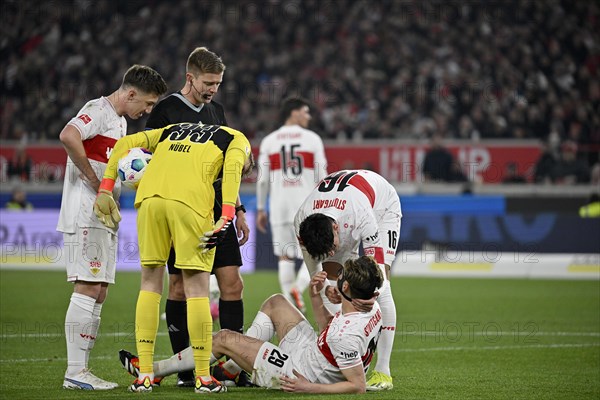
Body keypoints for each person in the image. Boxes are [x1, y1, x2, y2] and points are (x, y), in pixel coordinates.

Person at [93, 121, 253, 393]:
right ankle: (203, 378)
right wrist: (227, 214)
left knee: (150, 283)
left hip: (149, 200)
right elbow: (232, 173)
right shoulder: (237, 139)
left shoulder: (172, 129)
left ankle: (144, 375)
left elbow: (122, 144)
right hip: (190, 204)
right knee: (196, 288)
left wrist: (105, 189)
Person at [119, 255, 384, 393]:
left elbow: (357, 386)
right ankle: (234, 369)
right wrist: (316, 296)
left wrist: (308, 388)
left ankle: (154, 371)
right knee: (276, 302)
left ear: (346, 286)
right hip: (315, 353)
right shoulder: (372, 306)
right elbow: (329, 330)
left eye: (341, 277)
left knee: (223, 338)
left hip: (300, 373)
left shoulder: (345, 334)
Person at [144, 47, 251, 387]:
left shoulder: (217, 111)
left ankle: (232, 363)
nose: (212, 90)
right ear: (189, 77)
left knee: (232, 283)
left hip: (218, 213)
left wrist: (240, 209)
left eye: (217, 84)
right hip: (183, 210)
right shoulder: (165, 111)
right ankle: (185, 368)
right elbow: (149, 160)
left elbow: (229, 165)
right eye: (208, 83)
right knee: (179, 286)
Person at [57, 65, 167, 390]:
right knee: (88, 287)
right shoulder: (97, 109)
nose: (146, 111)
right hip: (86, 213)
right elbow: (68, 135)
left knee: (100, 291)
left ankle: (82, 371)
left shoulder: (120, 123)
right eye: (146, 104)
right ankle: (75, 372)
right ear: (130, 93)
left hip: (104, 216)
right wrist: (95, 182)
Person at [294, 169, 401, 391]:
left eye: (334, 247)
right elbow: (318, 277)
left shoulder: (359, 213)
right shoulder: (301, 223)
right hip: (342, 208)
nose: (333, 253)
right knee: (330, 282)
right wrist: (333, 290)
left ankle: (383, 371)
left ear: (335, 229)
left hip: (381, 207)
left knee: (382, 286)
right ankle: (341, 353)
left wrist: (365, 297)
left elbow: (376, 275)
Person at [256, 96, 328, 312]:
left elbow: (262, 179)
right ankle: (298, 287)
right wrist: (325, 205)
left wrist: (261, 208)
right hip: (307, 207)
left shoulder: (269, 141)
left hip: (279, 207)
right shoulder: (312, 139)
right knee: (316, 255)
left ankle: (290, 303)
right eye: (305, 112)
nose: (308, 116)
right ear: (294, 112)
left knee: (284, 256)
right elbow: (321, 175)